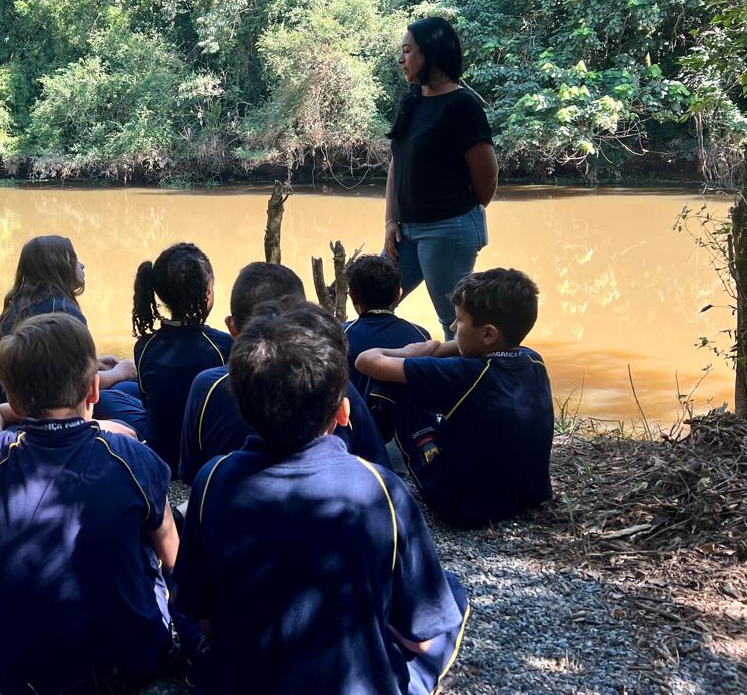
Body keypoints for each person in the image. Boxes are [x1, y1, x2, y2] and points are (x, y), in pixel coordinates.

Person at [174, 302, 470, 695]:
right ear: (344, 412)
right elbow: (423, 640)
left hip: (239, 679)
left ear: (244, 408)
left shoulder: (212, 480)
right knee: (450, 593)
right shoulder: (380, 489)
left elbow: (204, 619)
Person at [0, 312, 177, 695]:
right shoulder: (131, 457)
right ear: (94, 389)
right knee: (157, 522)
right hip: (130, 664)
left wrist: (21, 408)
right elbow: (174, 558)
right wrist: (97, 429)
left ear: (13, 396)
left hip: (11, 672)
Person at [356, 267, 553, 528]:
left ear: (489, 334)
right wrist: (435, 349)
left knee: (393, 383)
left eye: (459, 321)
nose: (451, 326)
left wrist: (413, 352)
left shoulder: (466, 374)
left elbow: (366, 361)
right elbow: (457, 349)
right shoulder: (532, 358)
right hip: (529, 495)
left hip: (464, 506)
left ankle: (369, 464)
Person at [178, 262, 387, 483]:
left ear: (232, 328)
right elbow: (379, 467)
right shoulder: (334, 385)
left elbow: (190, 475)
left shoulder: (206, 388)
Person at [383, 16, 498, 337]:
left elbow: (487, 176)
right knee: (374, 303)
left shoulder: (462, 106)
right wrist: (391, 221)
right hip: (405, 233)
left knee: (455, 323)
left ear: (431, 53)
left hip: (448, 230)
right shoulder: (413, 99)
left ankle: (457, 383)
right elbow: (397, 162)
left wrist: (459, 218)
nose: (401, 59)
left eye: (408, 51)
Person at [0, 235, 146, 436]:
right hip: (29, 412)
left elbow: (46, 369)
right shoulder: (64, 314)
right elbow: (74, 388)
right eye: (75, 259)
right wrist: (119, 372)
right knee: (127, 386)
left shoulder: (18, 304)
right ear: (60, 268)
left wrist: (91, 363)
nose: (82, 265)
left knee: (124, 388)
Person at [132, 242, 232, 470]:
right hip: (203, 456)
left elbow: (149, 405)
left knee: (118, 394)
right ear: (207, 293)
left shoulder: (145, 347)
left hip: (161, 453)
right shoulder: (222, 346)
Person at [343, 255, 431, 444]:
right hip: (410, 439)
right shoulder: (420, 335)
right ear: (399, 294)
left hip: (355, 436)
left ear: (353, 296)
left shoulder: (339, 336)